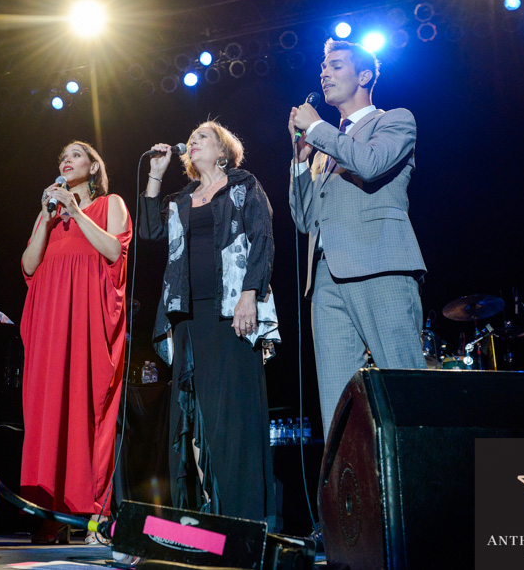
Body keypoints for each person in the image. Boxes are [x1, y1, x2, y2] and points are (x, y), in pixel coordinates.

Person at [140, 121, 279, 523]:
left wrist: (250, 293)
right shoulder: (182, 198)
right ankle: (200, 513)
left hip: (230, 309)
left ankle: (244, 516)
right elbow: (149, 230)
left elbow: (262, 236)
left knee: (231, 414)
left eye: (204, 137)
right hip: (186, 314)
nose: (194, 141)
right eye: (193, 138)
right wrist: (154, 174)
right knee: (192, 412)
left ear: (222, 150)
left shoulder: (243, 185)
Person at [288, 38, 426, 440]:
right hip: (326, 278)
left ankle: (421, 487)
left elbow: (369, 164)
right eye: (322, 68)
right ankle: (351, 496)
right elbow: (304, 218)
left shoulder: (394, 120)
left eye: (335, 65)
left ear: (364, 75)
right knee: (337, 402)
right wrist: (299, 163)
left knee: (405, 386)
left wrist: (316, 127)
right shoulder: (323, 146)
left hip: (379, 264)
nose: (324, 73)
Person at [20, 141, 132, 543]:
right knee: (47, 412)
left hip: (86, 319)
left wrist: (76, 212)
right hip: (49, 321)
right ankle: (50, 512)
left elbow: (113, 252)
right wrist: (48, 219)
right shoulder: (47, 216)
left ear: (94, 167)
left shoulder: (110, 204)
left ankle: (91, 517)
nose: (66, 160)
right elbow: (29, 265)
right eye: (61, 156)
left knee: (86, 412)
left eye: (75, 155)